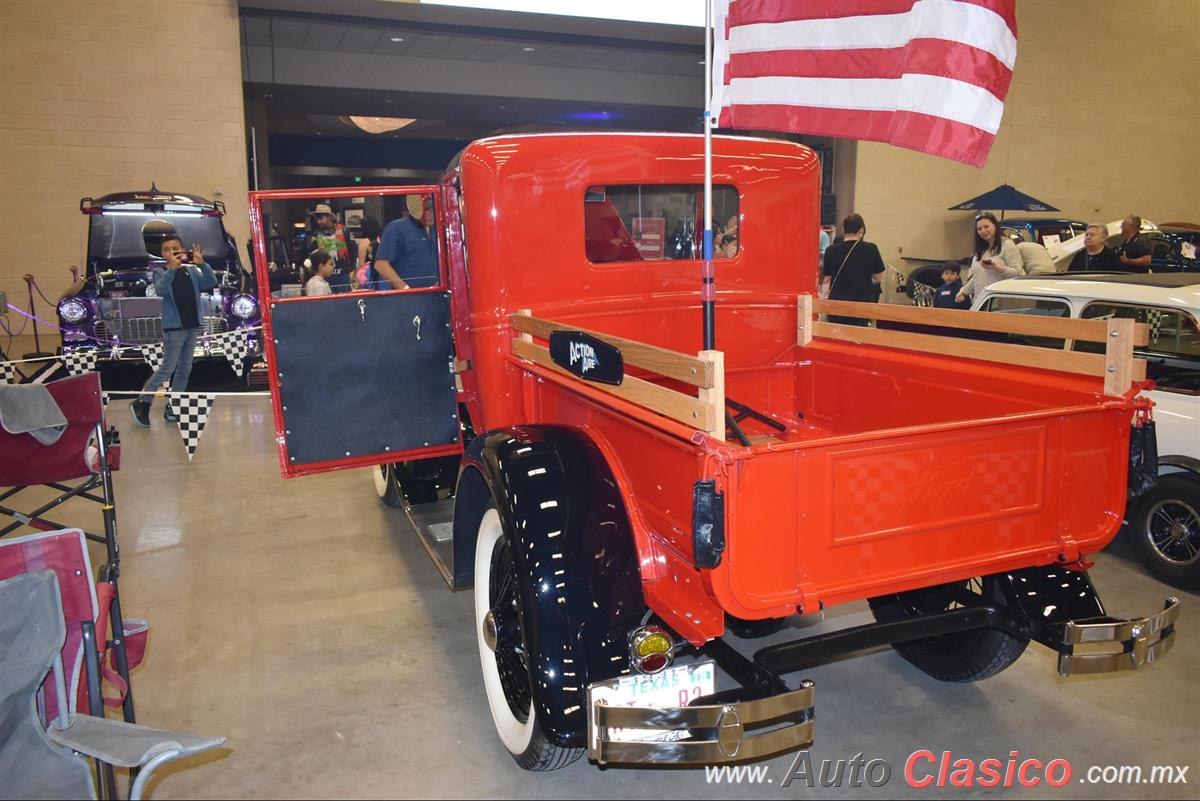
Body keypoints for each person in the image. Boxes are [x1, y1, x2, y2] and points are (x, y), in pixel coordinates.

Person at [129, 237, 216, 427]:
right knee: (168, 368)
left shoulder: (191, 271)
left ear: (182, 250)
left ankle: (173, 406)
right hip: (174, 329)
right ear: (163, 254)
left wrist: (203, 265)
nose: (172, 252)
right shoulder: (160, 273)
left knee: (185, 369)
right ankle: (142, 402)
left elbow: (210, 282)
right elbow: (161, 291)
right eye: (167, 250)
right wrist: (172, 270)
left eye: (175, 248)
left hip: (192, 326)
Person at [820, 213, 885, 326]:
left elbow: (827, 280)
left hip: (837, 305)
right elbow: (878, 278)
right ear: (861, 230)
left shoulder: (831, 250)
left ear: (843, 228)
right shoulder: (871, 249)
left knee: (836, 339)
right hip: (861, 305)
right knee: (858, 340)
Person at [371, 195, 439, 290]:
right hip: (409, 298)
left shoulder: (436, 230)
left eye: (433, 208)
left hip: (435, 294)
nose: (431, 213)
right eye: (427, 209)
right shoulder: (396, 228)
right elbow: (381, 265)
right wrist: (405, 288)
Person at [956, 212, 1023, 304]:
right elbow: (977, 277)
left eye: (986, 227)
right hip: (979, 303)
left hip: (1000, 304)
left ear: (995, 225)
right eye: (979, 229)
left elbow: (1018, 274)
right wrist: (963, 292)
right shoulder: (979, 250)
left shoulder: (1008, 245)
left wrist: (997, 268)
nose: (983, 231)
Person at [308, 203, 354, 292]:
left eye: (321, 218)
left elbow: (353, 250)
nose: (318, 221)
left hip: (343, 274)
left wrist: (353, 270)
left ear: (330, 217)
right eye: (317, 219)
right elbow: (310, 253)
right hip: (325, 276)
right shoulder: (316, 234)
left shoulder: (344, 230)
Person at [354, 216, 382, 287]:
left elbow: (361, 264)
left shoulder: (364, 242)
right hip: (382, 271)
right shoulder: (382, 238)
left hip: (368, 274)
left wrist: (357, 281)